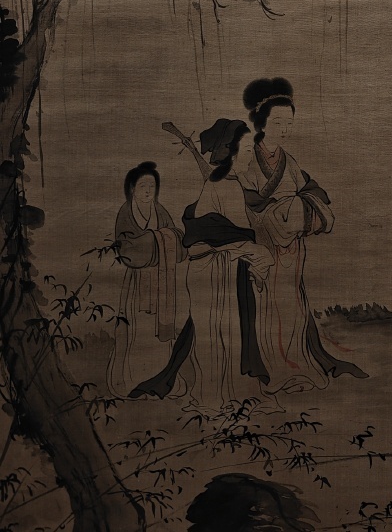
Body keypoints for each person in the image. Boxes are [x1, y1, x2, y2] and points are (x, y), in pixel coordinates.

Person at [128, 120, 275, 413]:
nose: (251, 157)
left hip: (229, 269)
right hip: (212, 271)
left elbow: (237, 233)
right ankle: (214, 399)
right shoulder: (218, 185)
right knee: (215, 336)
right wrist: (252, 251)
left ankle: (237, 394)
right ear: (232, 152)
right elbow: (208, 233)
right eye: (248, 150)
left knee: (232, 333)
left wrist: (250, 251)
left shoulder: (234, 184)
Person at [240, 77, 368, 394]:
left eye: (289, 122)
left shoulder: (290, 161)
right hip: (263, 247)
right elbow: (246, 201)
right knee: (268, 309)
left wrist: (299, 208)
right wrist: (276, 213)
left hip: (292, 247)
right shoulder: (247, 159)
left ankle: (299, 366)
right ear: (261, 121)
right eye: (277, 122)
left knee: (293, 307)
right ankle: (276, 372)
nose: (284, 129)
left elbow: (312, 190)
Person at [107, 161, 186, 399]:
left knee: (158, 337)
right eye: (143, 186)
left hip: (162, 283)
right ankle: (134, 382)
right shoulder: (126, 212)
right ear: (132, 188)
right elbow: (126, 247)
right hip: (136, 282)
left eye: (152, 186)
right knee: (138, 331)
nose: (148, 191)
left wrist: (160, 238)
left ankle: (162, 382)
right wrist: (157, 239)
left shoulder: (159, 210)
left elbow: (177, 239)